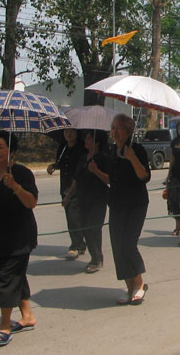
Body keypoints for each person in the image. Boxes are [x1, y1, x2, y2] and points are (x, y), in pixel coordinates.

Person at [0, 131, 37, 347]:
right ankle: (28, 315)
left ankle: (4, 325)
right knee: (15, 275)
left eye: (1, 147)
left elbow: (31, 203)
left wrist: (16, 187)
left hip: (19, 236)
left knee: (5, 276)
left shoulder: (22, 173)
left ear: (11, 151)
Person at [108, 114, 150, 305]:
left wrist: (132, 158)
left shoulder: (137, 149)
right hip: (117, 203)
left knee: (128, 244)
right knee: (117, 246)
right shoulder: (111, 151)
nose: (115, 132)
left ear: (129, 130)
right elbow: (109, 178)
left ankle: (139, 284)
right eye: (113, 128)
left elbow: (144, 176)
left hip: (136, 203)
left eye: (119, 128)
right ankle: (129, 287)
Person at [66, 131, 110, 273]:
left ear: (97, 142)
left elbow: (109, 180)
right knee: (85, 229)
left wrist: (96, 170)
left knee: (93, 228)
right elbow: (76, 179)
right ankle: (95, 256)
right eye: (86, 138)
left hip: (98, 199)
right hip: (82, 198)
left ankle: (97, 259)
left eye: (90, 138)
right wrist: (68, 195)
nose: (86, 140)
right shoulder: (83, 157)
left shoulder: (103, 157)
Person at [47, 128, 87, 260]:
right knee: (71, 217)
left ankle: (76, 245)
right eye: (66, 132)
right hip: (65, 185)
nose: (68, 134)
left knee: (73, 217)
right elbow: (61, 163)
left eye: (71, 131)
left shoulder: (81, 149)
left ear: (77, 133)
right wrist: (53, 166)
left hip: (77, 187)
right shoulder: (63, 147)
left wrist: (69, 194)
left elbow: (79, 171)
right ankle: (80, 243)